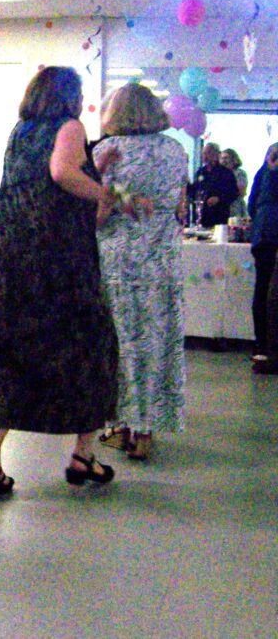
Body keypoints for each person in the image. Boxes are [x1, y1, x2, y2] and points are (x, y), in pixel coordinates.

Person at [0, 66, 120, 498]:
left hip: (11, 259)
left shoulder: (20, 132)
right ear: (69, 97)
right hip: (58, 264)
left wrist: (93, 167)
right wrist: (108, 192)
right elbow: (61, 173)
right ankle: (83, 454)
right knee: (92, 347)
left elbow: (47, 182)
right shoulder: (69, 126)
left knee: (9, 354)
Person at [94, 83, 187, 462]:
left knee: (122, 342)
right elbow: (179, 205)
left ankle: (124, 426)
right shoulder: (176, 151)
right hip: (163, 259)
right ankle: (147, 429)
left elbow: (98, 213)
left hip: (119, 259)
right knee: (158, 341)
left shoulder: (105, 151)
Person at [248, 143, 278, 373]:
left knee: (263, 290)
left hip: (263, 236)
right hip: (269, 235)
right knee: (270, 293)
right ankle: (269, 347)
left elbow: (252, 205)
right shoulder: (267, 175)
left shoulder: (262, 173)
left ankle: (262, 344)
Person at [188, 142, 238, 227]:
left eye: (208, 153)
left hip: (219, 216)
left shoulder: (226, 173)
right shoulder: (200, 172)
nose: (205, 157)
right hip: (201, 216)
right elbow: (194, 191)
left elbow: (234, 193)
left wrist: (219, 198)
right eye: (203, 153)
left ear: (216, 154)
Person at [220, 147, 248, 218]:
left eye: (226, 158)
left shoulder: (239, 173)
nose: (223, 161)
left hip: (235, 209)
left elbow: (241, 191)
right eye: (222, 158)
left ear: (233, 159)